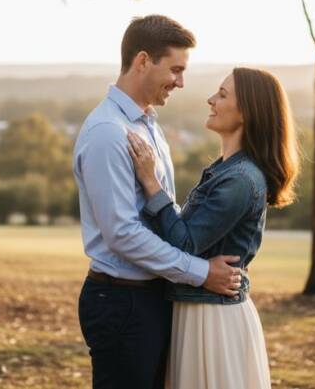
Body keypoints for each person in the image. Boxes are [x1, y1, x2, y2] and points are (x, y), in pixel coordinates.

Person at [73, 15, 242, 389]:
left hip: (151, 297)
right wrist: (201, 272)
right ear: (143, 61)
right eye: (176, 70)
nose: (181, 82)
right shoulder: (107, 134)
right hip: (122, 302)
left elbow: (161, 210)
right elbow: (122, 234)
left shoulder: (147, 124)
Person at [126, 67, 300, 389]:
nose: (211, 99)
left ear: (247, 112)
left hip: (212, 319)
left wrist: (151, 183)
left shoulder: (239, 179)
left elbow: (185, 241)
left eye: (222, 95)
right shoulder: (225, 171)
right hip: (198, 309)